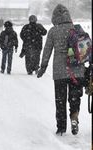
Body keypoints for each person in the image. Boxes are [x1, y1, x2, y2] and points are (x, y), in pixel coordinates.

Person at [37, 4, 85, 136]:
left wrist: (43, 66)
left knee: (60, 100)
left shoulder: (53, 31)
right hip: (77, 71)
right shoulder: (76, 29)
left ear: (55, 17)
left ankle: (61, 127)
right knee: (74, 98)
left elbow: (47, 50)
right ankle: (74, 117)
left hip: (59, 72)